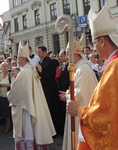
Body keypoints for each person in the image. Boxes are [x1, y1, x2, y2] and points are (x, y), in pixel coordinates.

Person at [66, 4, 118, 149]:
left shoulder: (114, 67)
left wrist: (79, 110)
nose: (94, 48)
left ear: (102, 41)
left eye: (94, 42)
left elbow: (107, 116)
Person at [7, 42, 56, 150]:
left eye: (18, 59)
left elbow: (16, 91)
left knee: (27, 128)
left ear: (23, 59)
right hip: (31, 104)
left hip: (26, 107)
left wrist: (9, 94)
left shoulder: (24, 72)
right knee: (33, 129)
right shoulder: (32, 69)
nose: (17, 61)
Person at [59, 36, 98, 150]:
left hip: (79, 117)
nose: (66, 57)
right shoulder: (79, 68)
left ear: (75, 55)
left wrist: (66, 97)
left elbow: (81, 97)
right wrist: (67, 94)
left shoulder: (83, 70)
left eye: (67, 54)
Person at [37, 45, 62, 135]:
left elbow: (50, 76)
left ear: (44, 52)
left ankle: (56, 130)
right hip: (44, 88)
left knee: (52, 109)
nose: (38, 53)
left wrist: (41, 71)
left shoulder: (50, 62)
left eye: (39, 52)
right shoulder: (40, 61)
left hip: (50, 90)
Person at [0, 62, 12, 132]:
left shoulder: (11, 75)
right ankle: (7, 123)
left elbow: (14, 84)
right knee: (5, 112)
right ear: (0, 67)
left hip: (10, 96)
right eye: (3, 66)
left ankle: (9, 125)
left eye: (6, 66)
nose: (5, 67)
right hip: (2, 96)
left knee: (10, 112)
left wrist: (6, 85)